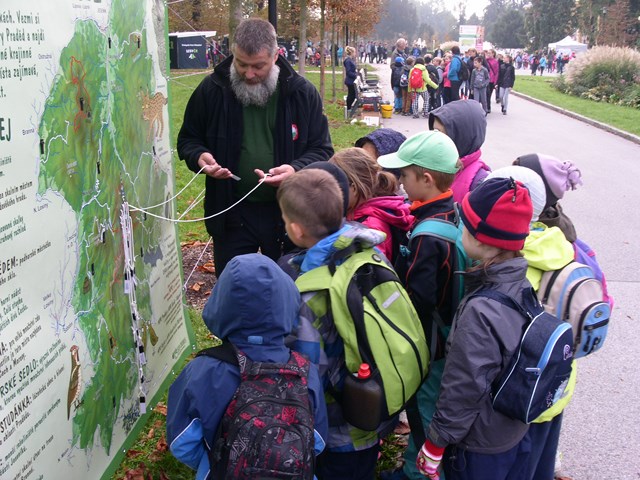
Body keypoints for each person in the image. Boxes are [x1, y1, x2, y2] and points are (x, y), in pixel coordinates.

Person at [176, 18, 333, 276]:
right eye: (241, 64)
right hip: (231, 212)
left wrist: (295, 169)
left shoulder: (301, 93)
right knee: (235, 290)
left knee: (290, 290)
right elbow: (188, 139)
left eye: (258, 66)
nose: (249, 74)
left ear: (275, 57)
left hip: (288, 214)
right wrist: (200, 157)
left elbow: (322, 149)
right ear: (233, 54)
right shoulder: (212, 90)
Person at [166, 253, 329, 479]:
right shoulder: (305, 372)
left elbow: (181, 442)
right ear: (288, 303)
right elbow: (317, 440)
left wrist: (218, 462)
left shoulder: (201, 371)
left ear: (219, 306)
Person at [417, 177, 534, 480]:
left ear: (481, 239)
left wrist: (435, 443)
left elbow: (464, 385)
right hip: (513, 429)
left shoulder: (480, 310)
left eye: (463, 225)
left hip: (479, 445)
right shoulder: (522, 283)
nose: (458, 230)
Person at [277, 168, 390, 480]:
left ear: (297, 231)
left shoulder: (308, 294)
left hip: (338, 429)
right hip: (376, 402)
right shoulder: (370, 252)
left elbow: (307, 370)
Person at [376, 131, 462, 480]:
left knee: (424, 409)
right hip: (448, 335)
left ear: (425, 179)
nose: (400, 182)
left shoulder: (427, 235)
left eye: (405, 176)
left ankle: (417, 473)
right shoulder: (450, 211)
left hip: (432, 344)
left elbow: (417, 299)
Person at [329, 147, 413, 262]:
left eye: (335, 187)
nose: (331, 193)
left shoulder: (371, 228)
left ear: (353, 188)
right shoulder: (361, 210)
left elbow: (370, 272)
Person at [429, 100, 491, 203]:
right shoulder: (434, 163)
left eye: (439, 132)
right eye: (433, 132)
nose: (432, 138)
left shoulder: (479, 183)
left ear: (461, 137)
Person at [344, 45, 359, 113]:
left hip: (352, 80)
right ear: (351, 53)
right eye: (354, 52)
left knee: (352, 94)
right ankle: (348, 108)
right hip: (350, 81)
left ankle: (349, 107)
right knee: (351, 94)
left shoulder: (350, 60)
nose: (355, 54)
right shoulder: (348, 61)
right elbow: (348, 71)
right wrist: (355, 75)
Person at [485, 49, 500, 113]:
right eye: (487, 53)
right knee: (485, 94)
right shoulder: (485, 61)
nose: (488, 54)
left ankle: (488, 107)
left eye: (490, 53)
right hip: (485, 80)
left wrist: (495, 82)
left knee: (488, 94)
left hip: (491, 80)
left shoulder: (495, 62)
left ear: (493, 54)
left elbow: (496, 72)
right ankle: (485, 106)